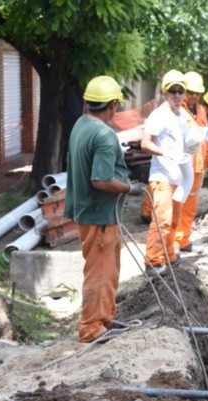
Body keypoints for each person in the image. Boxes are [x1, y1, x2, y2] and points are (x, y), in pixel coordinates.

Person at [64, 75, 138, 343]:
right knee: (101, 272)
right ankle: (92, 328)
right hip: (100, 215)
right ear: (113, 104)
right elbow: (100, 180)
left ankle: (103, 319)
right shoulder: (104, 135)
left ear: (88, 103)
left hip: (90, 212)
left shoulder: (81, 124)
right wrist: (130, 188)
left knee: (107, 270)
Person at [140, 70, 190, 274]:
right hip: (161, 177)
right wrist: (165, 153)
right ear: (166, 93)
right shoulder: (160, 115)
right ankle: (153, 261)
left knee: (174, 220)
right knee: (162, 219)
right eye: (173, 91)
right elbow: (145, 143)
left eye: (180, 91)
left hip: (177, 177)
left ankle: (168, 255)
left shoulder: (183, 115)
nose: (177, 95)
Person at [173, 71, 208, 254]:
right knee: (177, 205)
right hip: (181, 167)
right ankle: (173, 242)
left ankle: (183, 240)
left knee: (190, 207)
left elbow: (205, 140)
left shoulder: (199, 111)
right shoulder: (177, 112)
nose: (194, 96)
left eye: (197, 93)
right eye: (191, 92)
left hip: (197, 168)